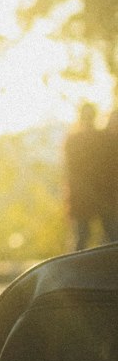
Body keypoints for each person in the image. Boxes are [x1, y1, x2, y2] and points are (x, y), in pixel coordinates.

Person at [64, 103, 118, 251]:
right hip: (100, 196)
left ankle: (75, 270)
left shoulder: (74, 140)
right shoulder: (105, 138)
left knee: (83, 239)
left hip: (88, 196)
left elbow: (71, 171)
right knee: (110, 238)